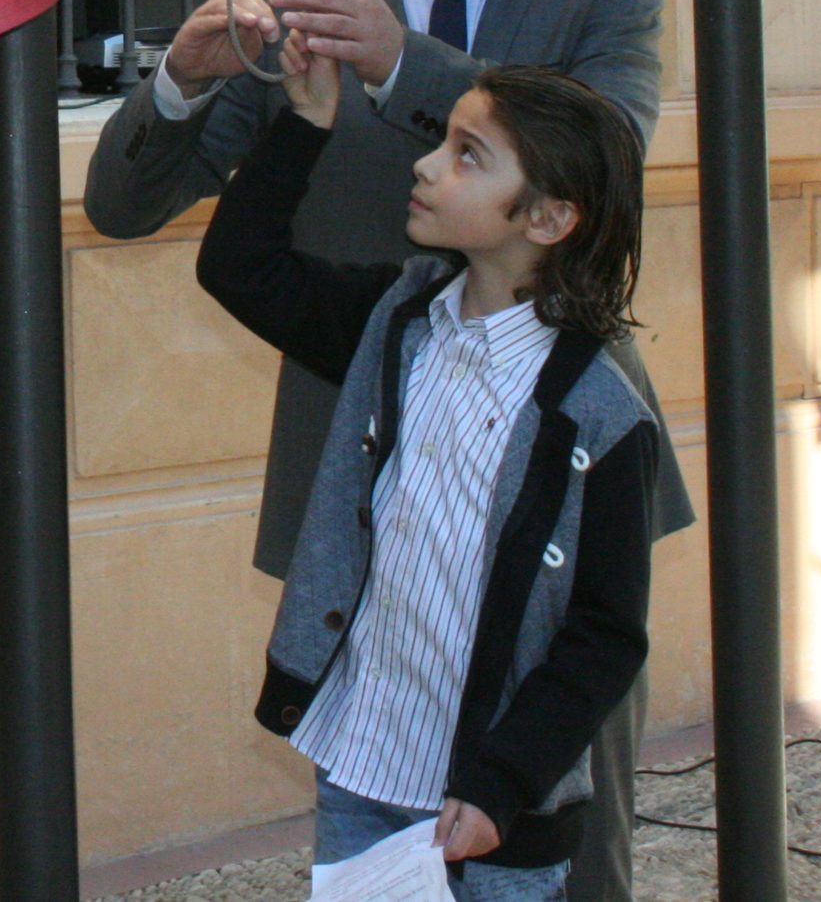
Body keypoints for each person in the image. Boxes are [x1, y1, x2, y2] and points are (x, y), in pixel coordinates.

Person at [83, 0, 687, 902]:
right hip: (365, 497)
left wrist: (405, 62)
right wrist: (184, 84)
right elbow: (121, 208)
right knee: (377, 842)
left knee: (561, 844)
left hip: (551, 487)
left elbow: (606, 158)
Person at [197, 53, 660, 902]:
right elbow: (238, 267)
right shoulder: (396, 320)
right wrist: (303, 121)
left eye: (467, 154)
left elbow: (606, 634)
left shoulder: (601, 416)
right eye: (444, 141)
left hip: (487, 804)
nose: (426, 163)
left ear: (550, 217)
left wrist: (503, 783)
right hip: (365, 759)